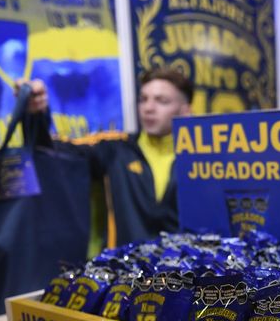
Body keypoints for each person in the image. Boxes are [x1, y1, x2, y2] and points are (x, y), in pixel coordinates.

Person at [18, 67, 192, 248]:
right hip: (125, 270)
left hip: (186, 272)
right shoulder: (115, 148)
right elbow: (51, 150)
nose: (148, 108)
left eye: (161, 101)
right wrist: (36, 113)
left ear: (185, 111)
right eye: (143, 99)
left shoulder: (203, 159)